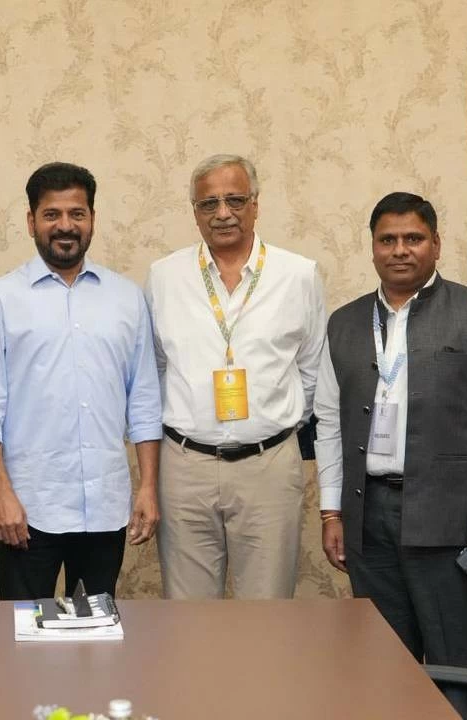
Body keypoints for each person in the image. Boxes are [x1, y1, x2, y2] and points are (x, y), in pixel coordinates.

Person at [314, 191, 467, 720]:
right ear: (372, 247)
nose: (400, 249)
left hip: (452, 521)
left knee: (457, 662)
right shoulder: (344, 324)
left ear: (436, 244)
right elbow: (328, 422)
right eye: (387, 239)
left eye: (413, 238)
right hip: (369, 520)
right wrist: (331, 511)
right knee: (382, 663)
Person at [0, 162, 161, 600]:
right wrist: (0, 494)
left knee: (96, 631)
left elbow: (145, 402)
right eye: (52, 214)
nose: (66, 226)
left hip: (105, 507)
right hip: (29, 507)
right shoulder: (0, 300)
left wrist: (148, 488)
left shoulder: (126, 298)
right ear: (31, 221)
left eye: (77, 213)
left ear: (92, 219)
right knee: (20, 629)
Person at [146, 154, 326, 600]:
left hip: (268, 464)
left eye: (235, 200)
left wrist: (270, 423)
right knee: (187, 615)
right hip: (184, 465)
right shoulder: (164, 276)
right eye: (208, 204)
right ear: (194, 212)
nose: (222, 213)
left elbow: (311, 370)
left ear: (256, 204)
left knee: (267, 612)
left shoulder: (298, 275)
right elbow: (157, 367)